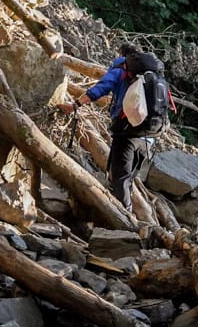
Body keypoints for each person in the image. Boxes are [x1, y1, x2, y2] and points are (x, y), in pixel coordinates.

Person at [58, 43, 148, 213]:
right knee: (128, 178)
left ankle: (123, 220)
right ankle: (125, 214)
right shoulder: (150, 75)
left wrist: (75, 105)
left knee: (119, 177)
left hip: (127, 132)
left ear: (122, 55)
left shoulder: (121, 70)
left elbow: (100, 89)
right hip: (149, 136)